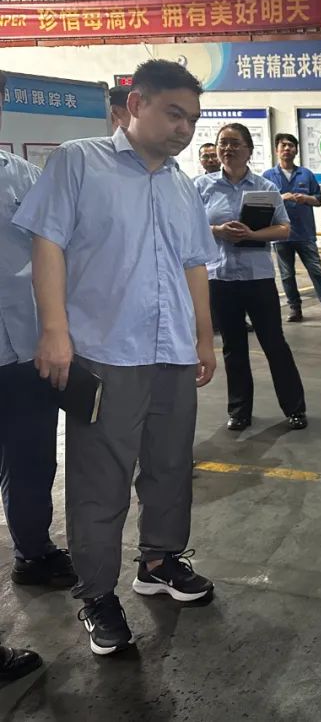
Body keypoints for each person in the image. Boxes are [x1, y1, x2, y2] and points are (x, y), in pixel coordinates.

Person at [13, 59, 218, 656]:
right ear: (135, 105)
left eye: (192, 119)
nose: (185, 129)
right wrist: (55, 331)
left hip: (171, 350)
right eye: (174, 114)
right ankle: (97, 594)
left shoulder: (181, 184)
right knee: (100, 482)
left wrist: (204, 337)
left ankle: (158, 562)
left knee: (169, 467)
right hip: (105, 353)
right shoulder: (79, 162)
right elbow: (47, 243)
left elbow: (194, 265)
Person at [0, 71, 77, 593]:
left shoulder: (25, 178)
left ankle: (33, 551)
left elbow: (60, 251)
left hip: (28, 349)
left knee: (32, 459)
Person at [197, 123, 308, 433]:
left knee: (274, 343)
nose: (227, 149)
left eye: (235, 143)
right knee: (233, 348)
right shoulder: (201, 187)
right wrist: (217, 231)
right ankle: (239, 411)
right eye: (223, 143)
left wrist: (252, 234)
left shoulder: (265, 187)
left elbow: (284, 228)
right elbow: (188, 227)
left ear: (249, 150)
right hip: (220, 278)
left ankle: (295, 408)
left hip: (257, 279)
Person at [263, 132, 321, 324]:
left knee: (317, 272)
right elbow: (263, 203)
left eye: (291, 145)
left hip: (305, 233)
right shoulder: (268, 176)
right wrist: (281, 198)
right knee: (287, 275)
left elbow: (318, 200)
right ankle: (295, 309)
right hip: (281, 234)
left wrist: (306, 198)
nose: (287, 149)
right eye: (283, 145)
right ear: (276, 150)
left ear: (296, 150)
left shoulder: (306, 174)